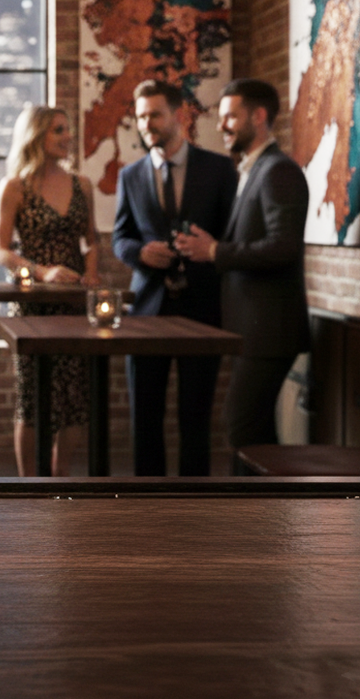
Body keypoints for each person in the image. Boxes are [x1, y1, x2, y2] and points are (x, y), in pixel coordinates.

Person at [174, 78, 310, 468]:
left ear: (259, 116)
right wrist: (210, 246)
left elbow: (283, 248)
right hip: (253, 329)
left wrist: (215, 250)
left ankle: (252, 521)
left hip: (268, 330)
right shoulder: (255, 169)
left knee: (241, 429)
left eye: (231, 116)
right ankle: (268, 522)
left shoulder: (278, 171)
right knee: (257, 434)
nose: (222, 125)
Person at [112, 80, 237, 476]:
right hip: (147, 310)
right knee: (144, 416)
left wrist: (210, 247)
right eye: (141, 114)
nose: (146, 123)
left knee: (195, 416)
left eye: (154, 114)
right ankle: (146, 506)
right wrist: (139, 253)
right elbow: (120, 238)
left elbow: (233, 236)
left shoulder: (218, 169)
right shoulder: (130, 175)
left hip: (202, 307)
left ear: (178, 115)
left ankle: (195, 504)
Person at [0, 106, 100, 476]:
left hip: (73, 304)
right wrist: (42, 272)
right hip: (32, 306)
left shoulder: (81, 184)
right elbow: (1, 249)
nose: (68, 136)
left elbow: (92, 241)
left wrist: (90, 271)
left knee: (74, 397)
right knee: (32, 397)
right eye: (59, 130)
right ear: (37, 136)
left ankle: (60, 476)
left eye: (67, 128)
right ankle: (28, 484)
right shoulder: (15, 187)